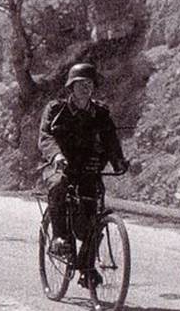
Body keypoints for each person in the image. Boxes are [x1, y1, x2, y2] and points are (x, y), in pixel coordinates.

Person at [38, 63, 128, 287]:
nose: (86, 88)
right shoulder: (56, 110)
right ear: (71, 86)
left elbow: (110, 140)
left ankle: (86, 267)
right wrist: (56, 156)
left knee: (94, 219)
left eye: (89, 84)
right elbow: (45, 137)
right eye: (81, 84)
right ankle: (59, 237)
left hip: (88, 169)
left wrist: (118, 161)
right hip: (59, 166)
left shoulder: (100, 113)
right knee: (58, 184)